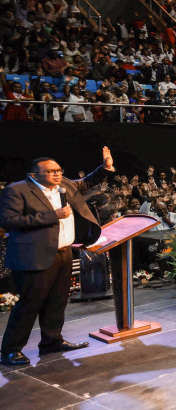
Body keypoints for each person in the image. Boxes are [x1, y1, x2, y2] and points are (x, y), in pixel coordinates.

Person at [0, 148, 114, 365]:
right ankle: (10, 350)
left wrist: (105, 167)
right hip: (34, 255)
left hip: (64, 253)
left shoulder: (65, 185)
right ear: (33, 175)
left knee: (58, 300)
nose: (57, 174)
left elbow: (87, 182)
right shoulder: (17, 190)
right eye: (51, 171)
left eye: (59, 170)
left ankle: (51, 342)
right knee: (30, 303)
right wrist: (52, 216)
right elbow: (9, 220)